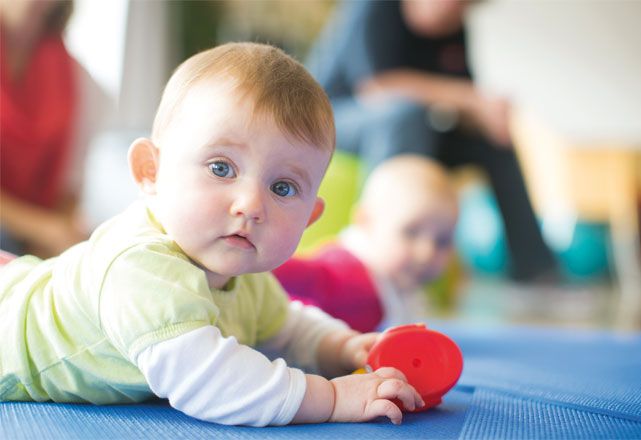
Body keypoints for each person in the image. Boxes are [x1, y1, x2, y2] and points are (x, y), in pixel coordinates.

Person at [0, 43, 425, 426]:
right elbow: (210, 380)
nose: (251, 205)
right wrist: (332, 398)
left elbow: (285, 326)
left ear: (309, 218)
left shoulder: (245, 274)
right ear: (151, 171)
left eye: (282, 188)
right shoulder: (141, 266)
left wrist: (345, 347)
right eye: (221, 168)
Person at [306, 0, 557, 281]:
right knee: (404, 114)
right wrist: (472, 98)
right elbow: (378, 87)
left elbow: (458, 102)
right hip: (333, 118)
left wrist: (486, 117)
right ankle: (384, 252)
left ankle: (537, 269)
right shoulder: (375, 7)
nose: (454, 12)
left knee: (492, 144)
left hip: (412, 126)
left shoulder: (454, 29)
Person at [274, 154, 457, 332]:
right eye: (411, 232)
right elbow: (297, 274)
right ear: (366, 222)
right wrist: (252, 263)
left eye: (442, 241)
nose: (427, 253)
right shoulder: (349, 274)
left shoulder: (395, 282)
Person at [0, 0, 105, 258]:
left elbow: (69, 188)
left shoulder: (79, 80)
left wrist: (61, 236)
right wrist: (46, 230)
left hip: (37, 235)